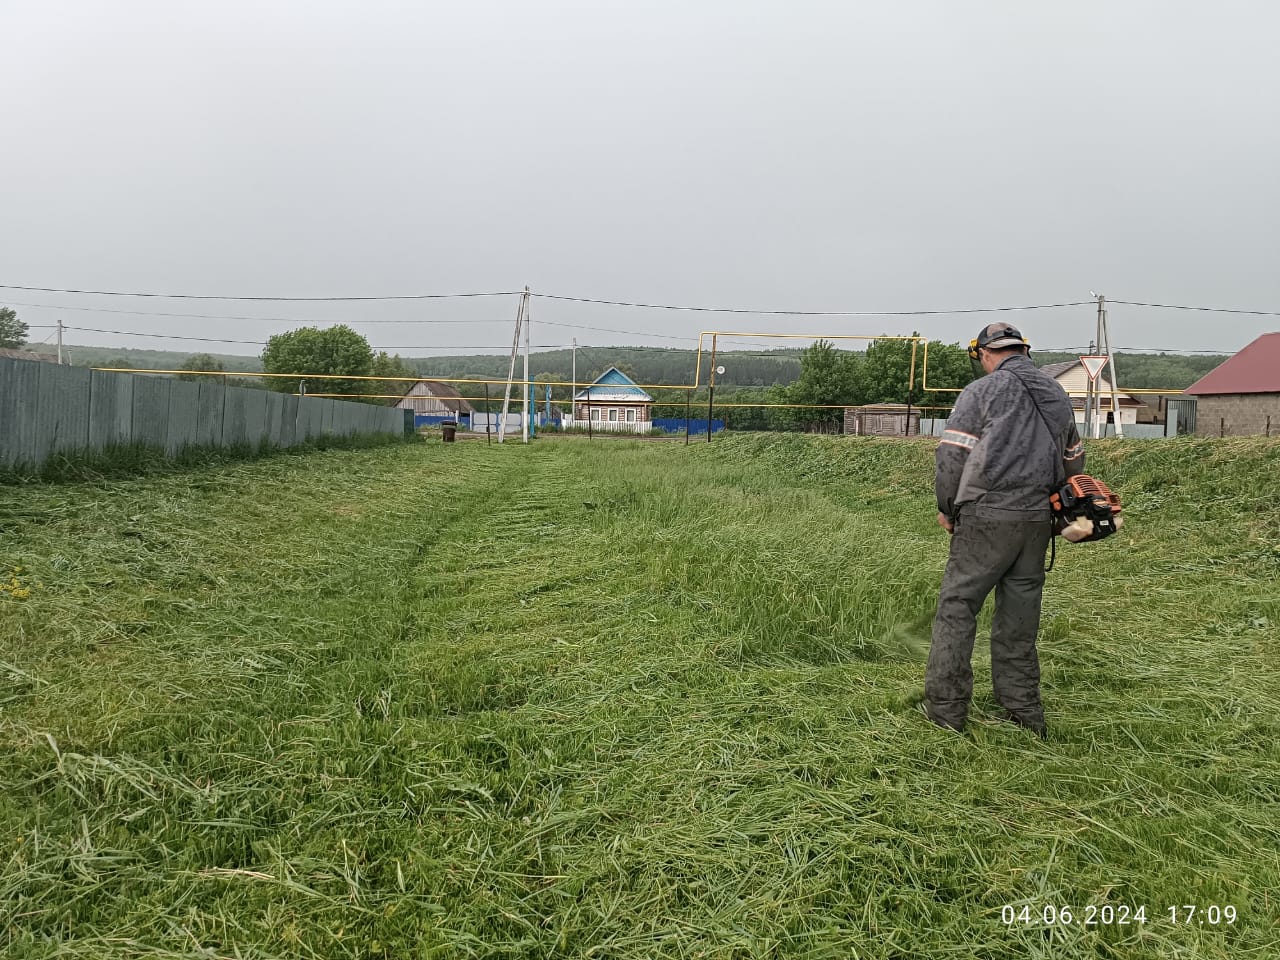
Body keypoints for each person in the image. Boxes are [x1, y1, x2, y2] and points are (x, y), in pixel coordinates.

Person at [923, 323, 1085, 738]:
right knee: (1019, 619)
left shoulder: (980, 392)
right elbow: (1074, 461)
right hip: (1037, 520)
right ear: (1024, 351)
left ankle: (946, 713)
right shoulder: (1056, 393)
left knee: (958, 608)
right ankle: (1024, 713)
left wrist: (948, 510)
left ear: (983, 354)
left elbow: (952, 458)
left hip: (986, 516)